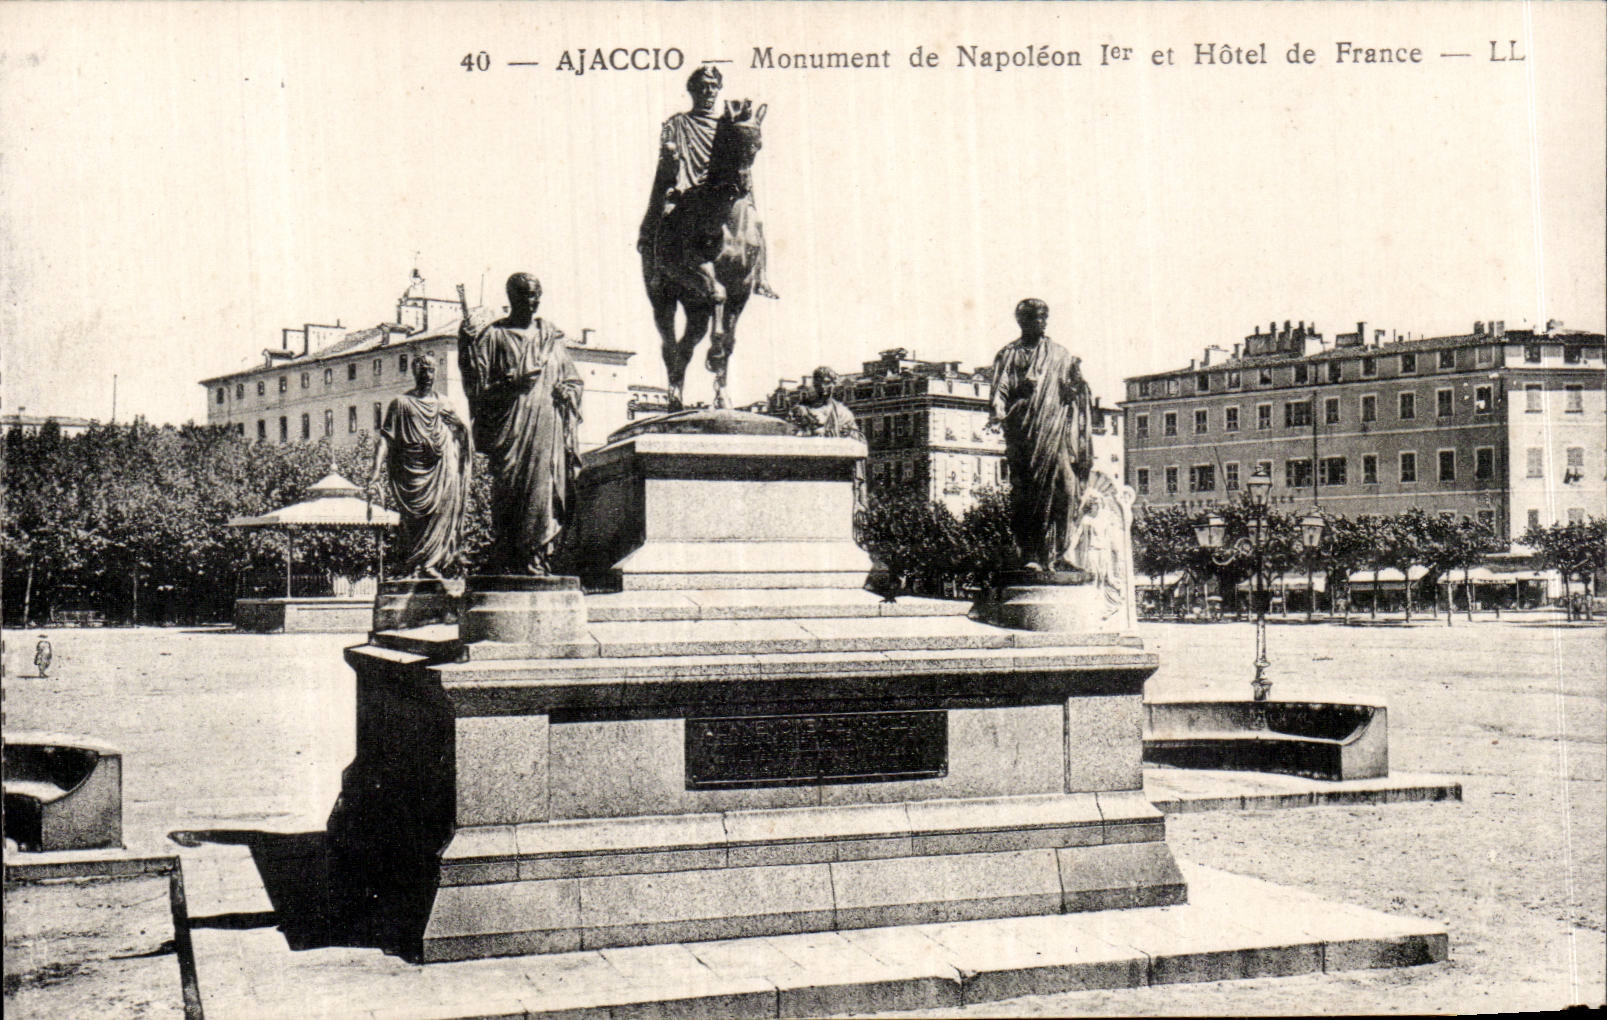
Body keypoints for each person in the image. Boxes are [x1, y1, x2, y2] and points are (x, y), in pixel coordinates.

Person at [457, 274, 583, 576]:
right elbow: (477, 386)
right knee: (509, 489)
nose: (534, 301)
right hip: (511, 431)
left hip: (546, 428)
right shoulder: (494, 336)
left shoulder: (550, 337)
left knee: (543, 492)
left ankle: (536, 558)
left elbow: (572, 378)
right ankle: (508, 554)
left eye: (537, 294)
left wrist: (569, 390)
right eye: (527, 295)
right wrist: (469, 344)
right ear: (512, 298)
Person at [639, 65, 776, 299]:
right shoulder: (677, 123)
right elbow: (666, 162)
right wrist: (671, 160)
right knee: (665, 215)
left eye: (713, 87)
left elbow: (741, 158)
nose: (708, 92)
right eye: (702, 87)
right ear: (692, 90)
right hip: (686, 190)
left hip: (722, 190)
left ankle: (761, 278)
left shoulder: (727, 125)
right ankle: (658, 265)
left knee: (756, 222)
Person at [988, 298, 1093, 571]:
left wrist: (1077, 385)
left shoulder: (1060, 353)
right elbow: (998, 393)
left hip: (1055, 434)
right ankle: (1031, 553)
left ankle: (1063, 552)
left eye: (1044, 318)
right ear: (1021, 321)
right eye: (1035, 318)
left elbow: (1072, 392)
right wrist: (1003, 410)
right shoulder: (1009, 354)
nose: (1041, 323)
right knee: (1028, 495)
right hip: (1025, 435)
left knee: (1066, 490)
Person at [369, 353, 472, 580]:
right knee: (414, 521)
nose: (427, 375)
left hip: (441, 470)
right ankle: (416, 565)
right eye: (422, 370)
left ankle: (434, 564)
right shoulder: (401, 403)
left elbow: (462, 434)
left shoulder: (444, 403)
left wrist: (460, 428)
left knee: (440, 515)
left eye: (431, 370)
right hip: (411, 473)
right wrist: (375, 472)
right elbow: (386, 438)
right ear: (414, 372)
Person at [789, 366, 862, 439]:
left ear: (834, 384)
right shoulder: (801, 410)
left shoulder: (843, 413)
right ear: (814, 385)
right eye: (818, 384)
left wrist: (849, 433)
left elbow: (860, 439)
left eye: (827, 383)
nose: (822, 386)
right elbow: (789, 434)